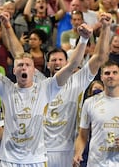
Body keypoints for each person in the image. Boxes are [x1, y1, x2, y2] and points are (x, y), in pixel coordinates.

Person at [0, 11, 91, 166]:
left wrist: (84, 39)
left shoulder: (45, 88)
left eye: (27, 65)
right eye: (20, 65)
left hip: (36, 160)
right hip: (9, 160)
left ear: (34, 70)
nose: (23, 68)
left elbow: (71, 65)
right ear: (14, 70)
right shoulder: (6, 87)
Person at [44, 12, 112, 167]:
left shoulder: (76, 81)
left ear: (67, 62)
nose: (57, 63)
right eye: (53, 60)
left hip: (68, 150)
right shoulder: (41, 85)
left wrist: (105, 27)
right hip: (41, 151)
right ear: (48, 65)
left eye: (60, 59)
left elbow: (100, 57)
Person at [73, 60, 119, 166]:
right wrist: (77, 154)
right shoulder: (90, 102)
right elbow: (82, 136)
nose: (110, 76)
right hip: (96, 163)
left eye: (114, 73)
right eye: (107, 73)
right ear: (101, 77)